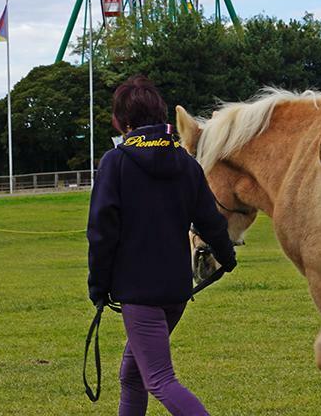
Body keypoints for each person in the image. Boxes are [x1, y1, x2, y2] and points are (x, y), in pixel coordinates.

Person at [87, 75, 237, 416]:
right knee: (132, 375)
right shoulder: (186, 163)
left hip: (139, 293)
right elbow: (210, 220)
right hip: (175, 291)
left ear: (122, 121)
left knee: (159, 379)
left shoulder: (117, 161)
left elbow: (101, 231)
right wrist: (226, 256)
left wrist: (98, 285)